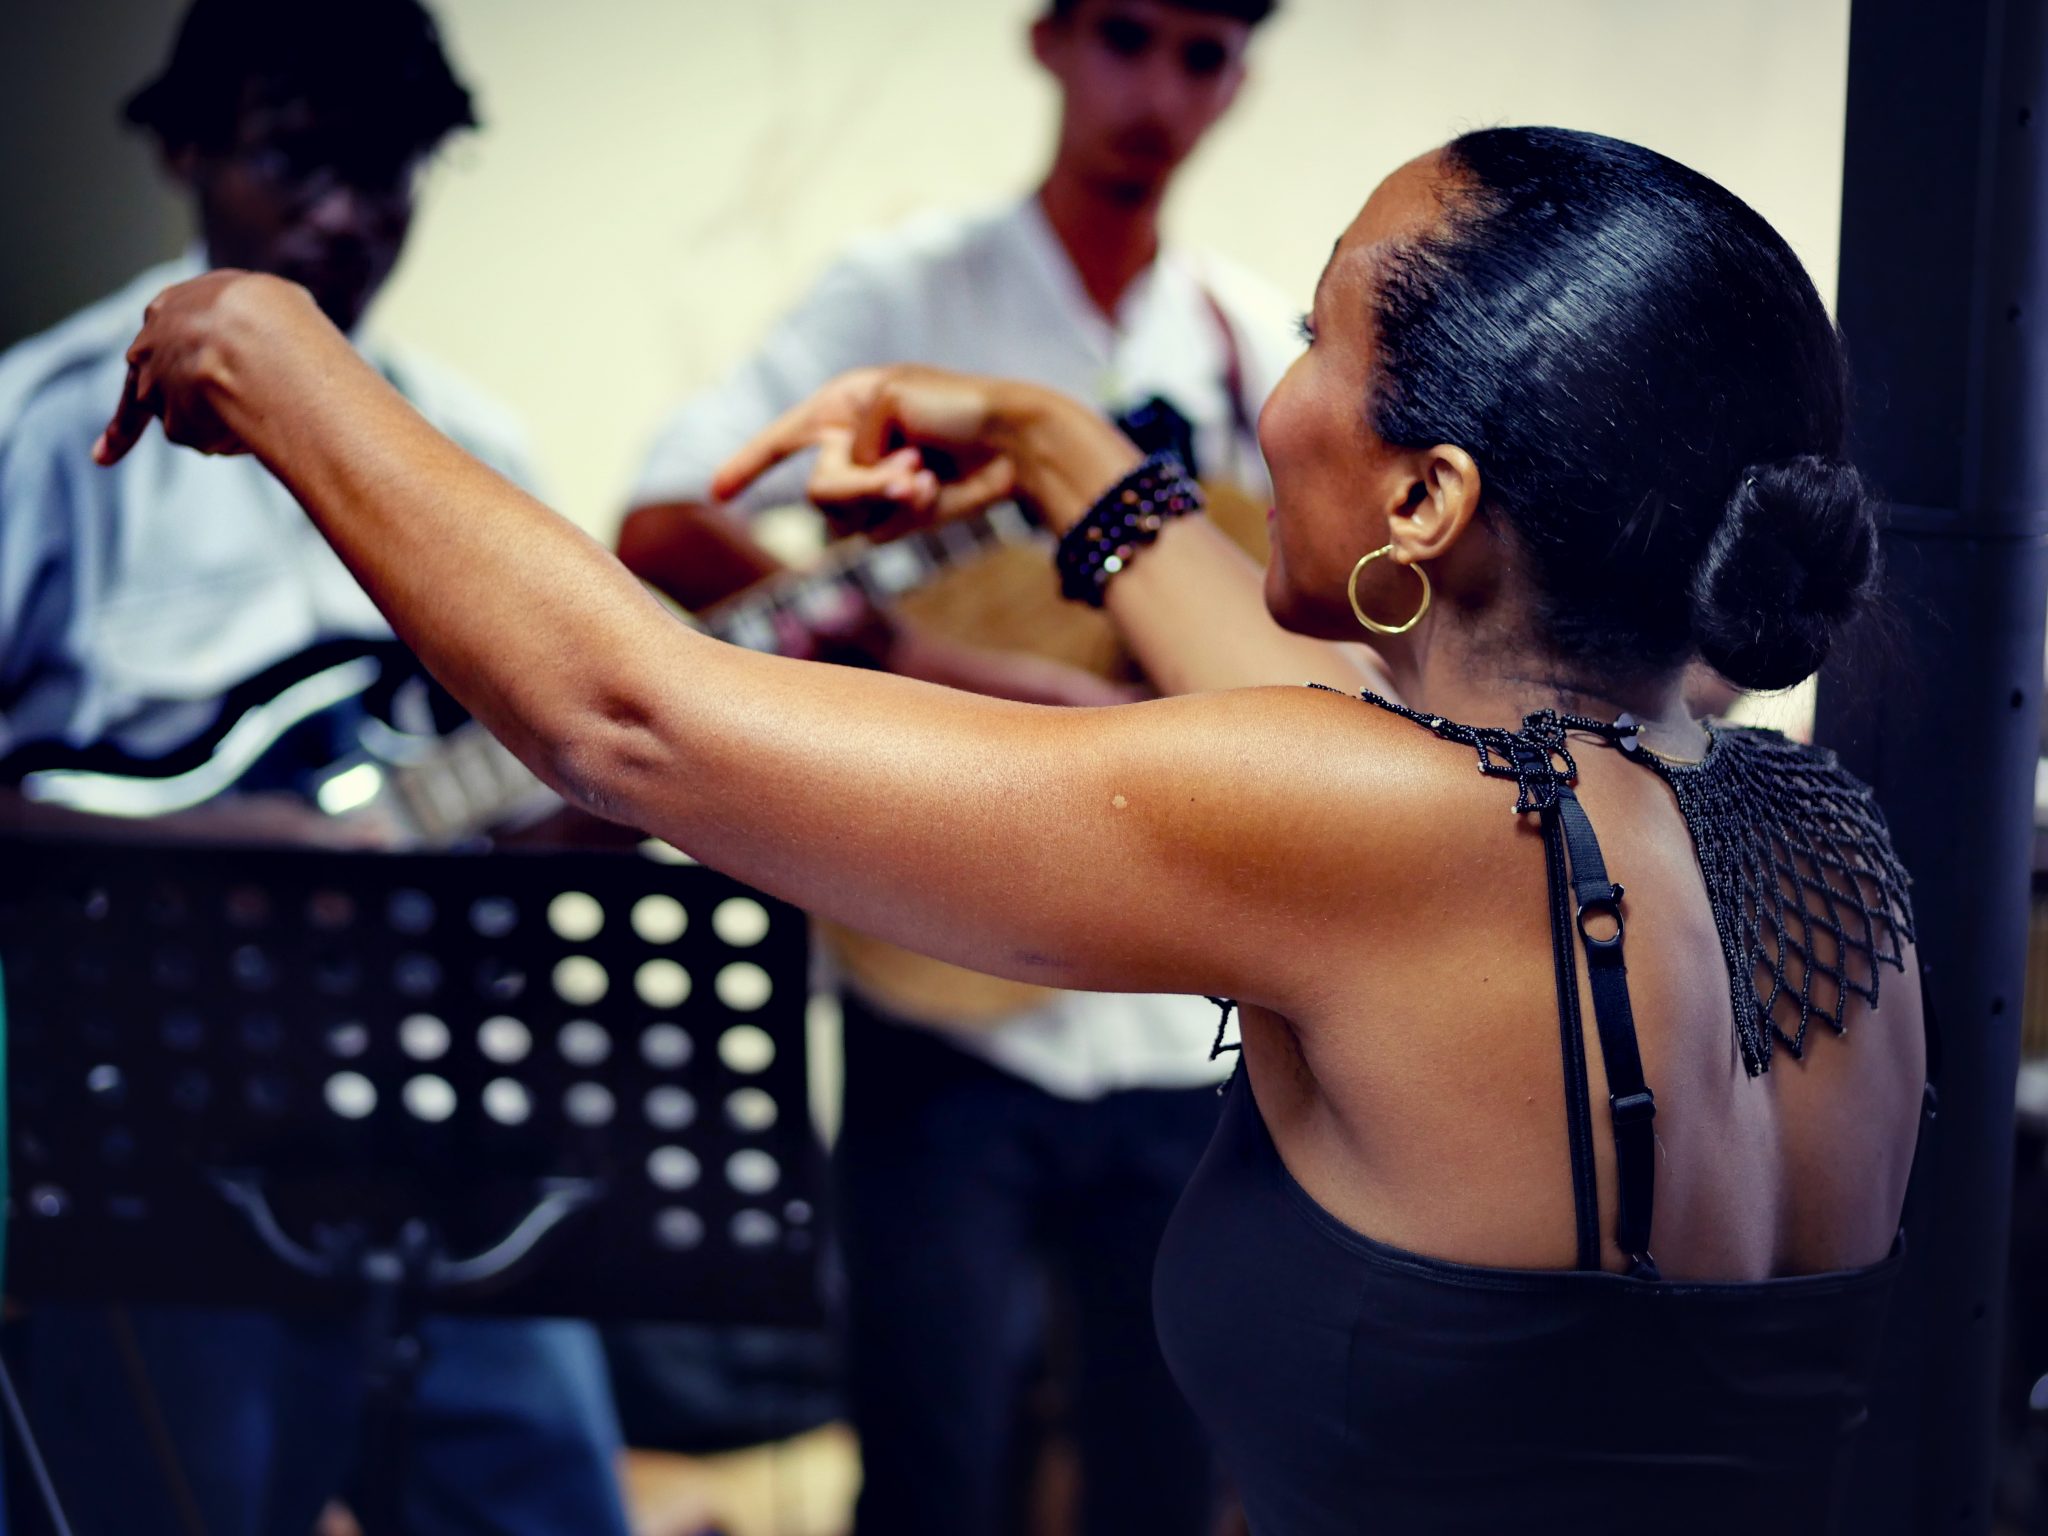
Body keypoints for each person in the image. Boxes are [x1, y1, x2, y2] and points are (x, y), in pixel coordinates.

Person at [101, 124, 1927, 1533]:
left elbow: (631, 720)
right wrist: (1057, 448)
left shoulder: (1390, 828)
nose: (1276, 391)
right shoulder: (1814, 843)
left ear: (1429, 501)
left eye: (1317, 333)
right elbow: (1332, 740)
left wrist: (279, 355)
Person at [617, 2, 1308, 1528]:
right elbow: (666, 516)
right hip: (938, 998)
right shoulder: (907, 294)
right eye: (1126, 36)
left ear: (1236, 84)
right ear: (1050, 41)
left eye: (1201, 56)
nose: (1156, 91)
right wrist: (888, 643)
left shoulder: (1244, 343)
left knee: (1161, 1479)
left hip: (1168, 1022)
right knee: (930, 1472)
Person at [0, 5, 630, 1534]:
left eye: (387, 168)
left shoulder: (473, 449)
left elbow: (533, 798)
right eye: (296, 161)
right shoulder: (41, 426)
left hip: (438, 1138)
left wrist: (610, 792)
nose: (345, 215)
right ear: (185, 150)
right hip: (140, 1156)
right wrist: (241, 848)